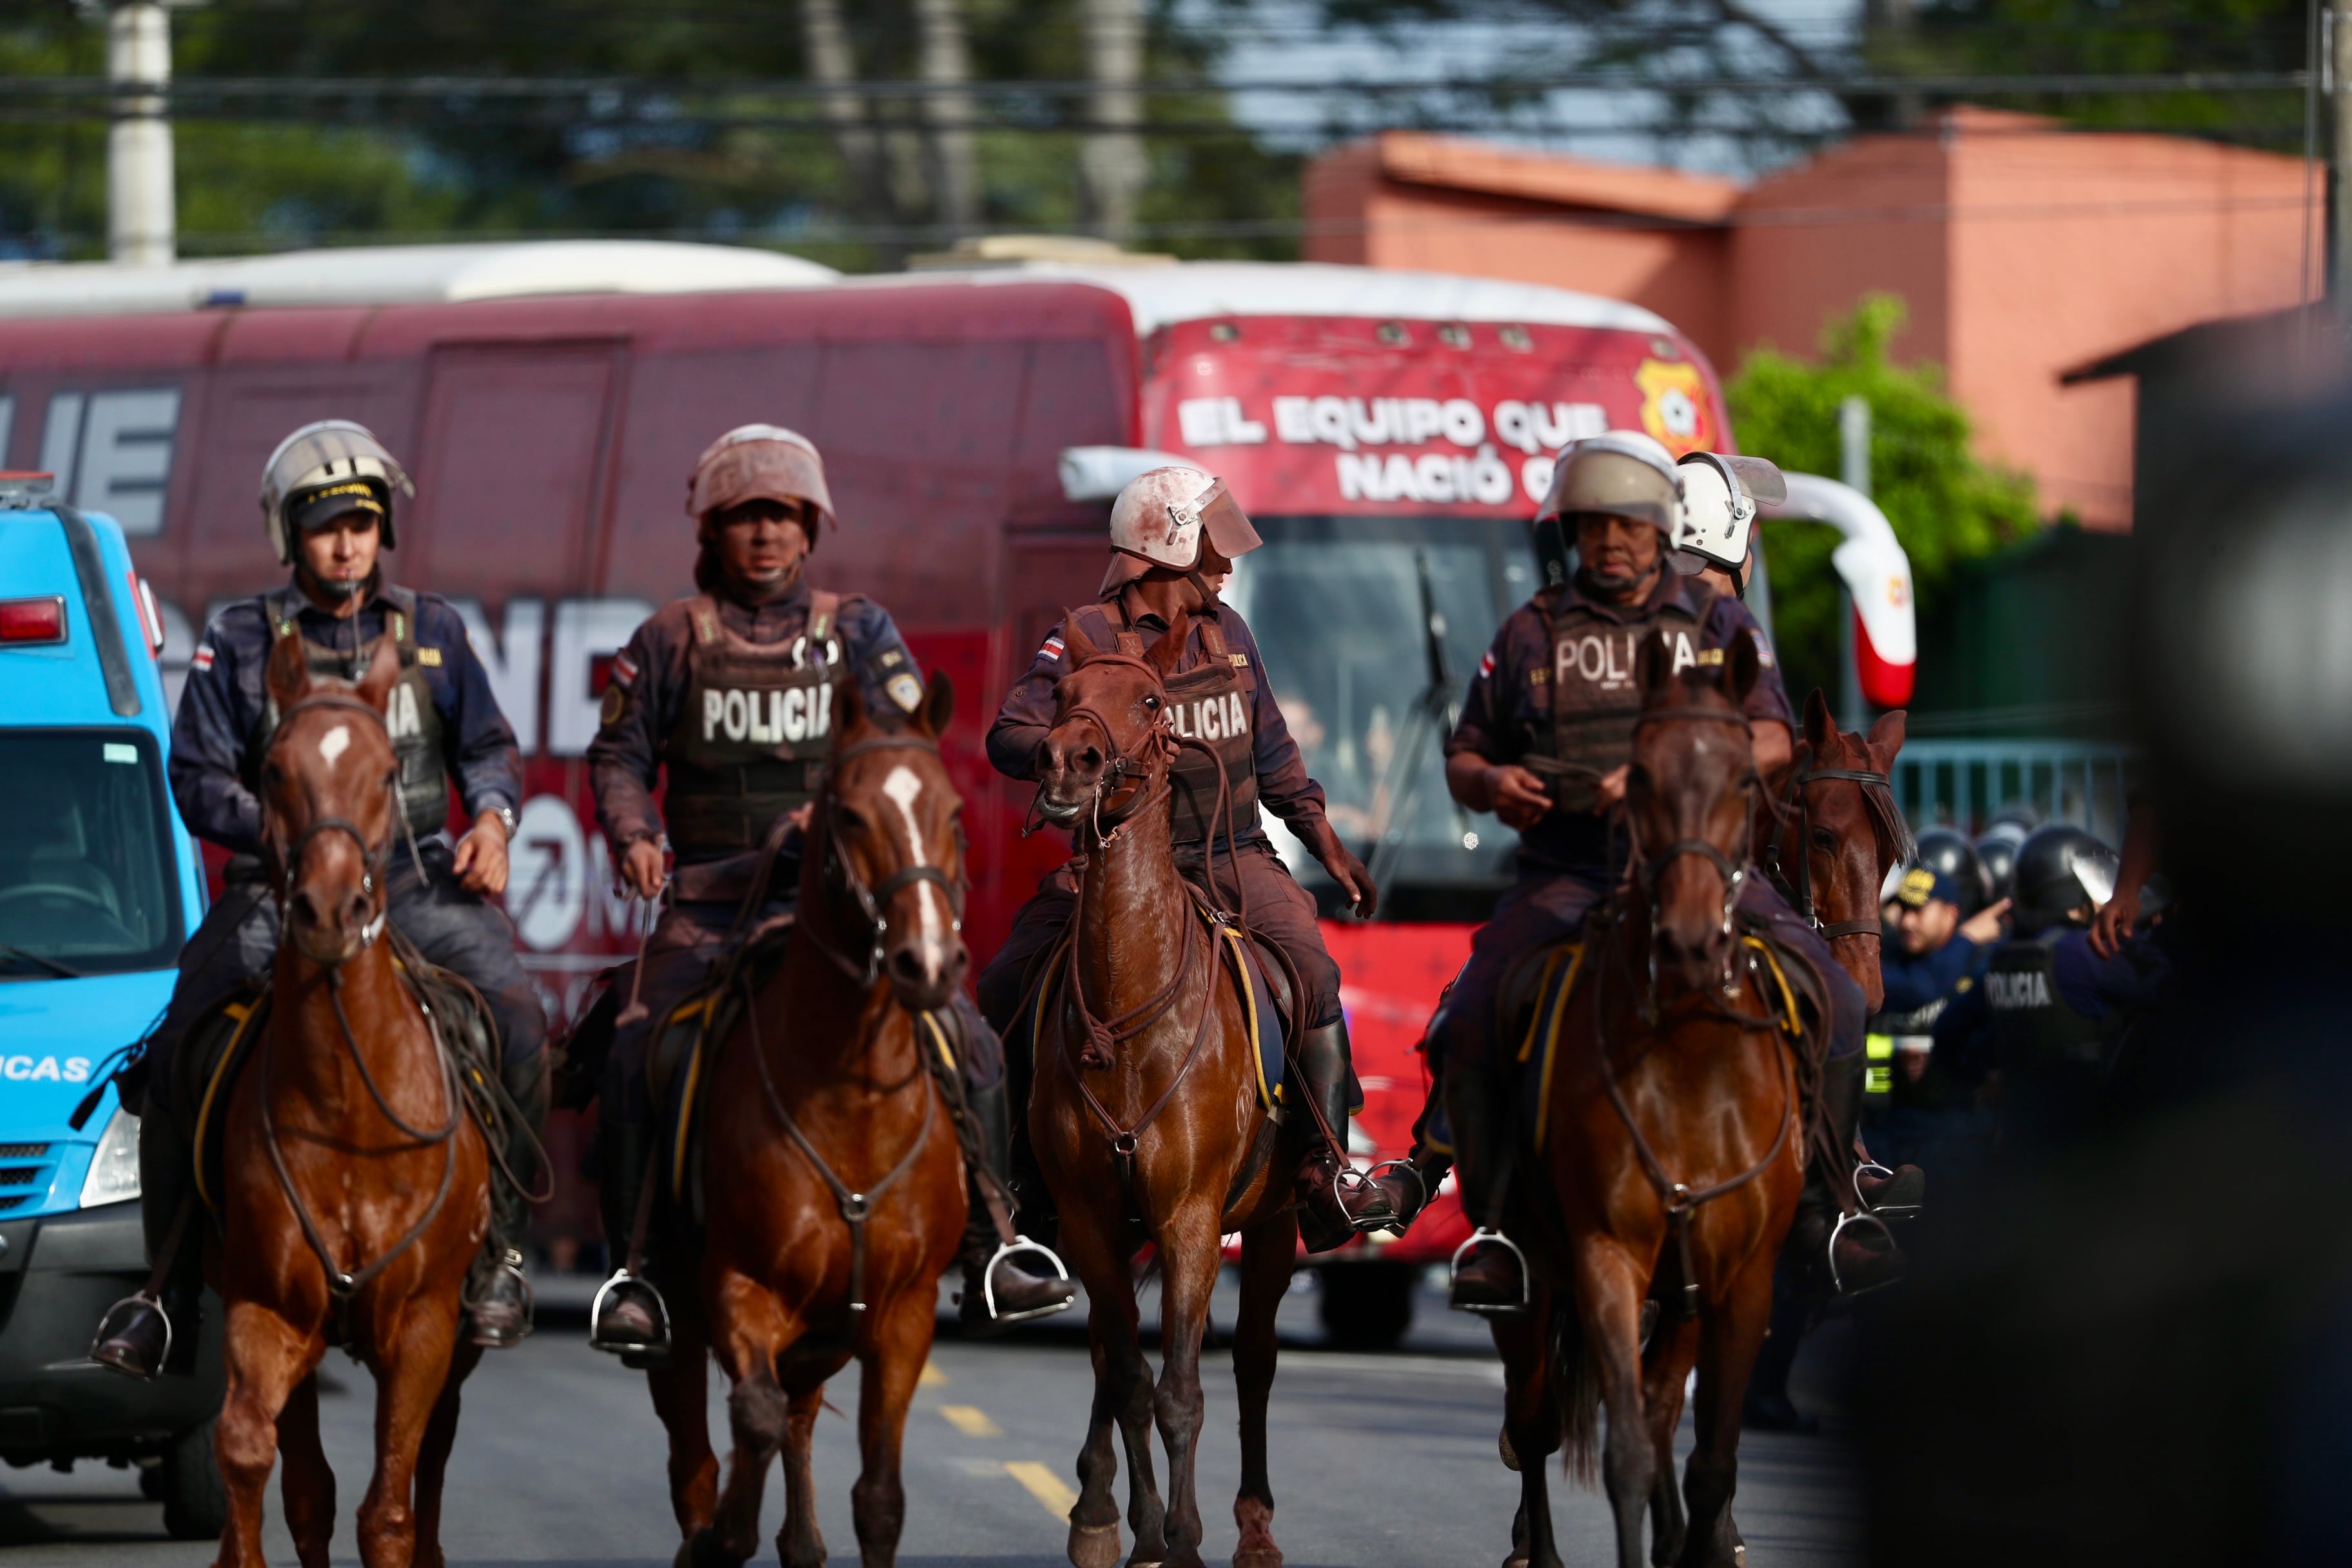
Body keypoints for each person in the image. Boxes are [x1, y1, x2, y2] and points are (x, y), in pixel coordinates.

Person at [583, 425, 1072, 1356]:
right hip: (712, 905)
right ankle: (635, 1271)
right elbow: (618, 756)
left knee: (969, 1040)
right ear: (714, 533)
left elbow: (901, 744)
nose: (766, 533)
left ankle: (998, 1241)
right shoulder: (669, 638)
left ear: (810, 530)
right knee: (634, 1050)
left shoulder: (858, 630)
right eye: (745, 517)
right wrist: (635, 832)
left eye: (783, 516)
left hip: (842, 907)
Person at [1370, 431, 1887, 1312]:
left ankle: (1829, 1203)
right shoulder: (1530, 629)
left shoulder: (1717, 622)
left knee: (1837, 999)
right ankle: (1483, 1219)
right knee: (1475, 1006)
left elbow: (1770, 734)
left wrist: (1678, 762)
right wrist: (1495, 782)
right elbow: (1465, 752)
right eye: (1595, 526)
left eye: (1628, 525)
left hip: (1703, 866)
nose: (1612, 542)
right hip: (1573, 869)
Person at [92, 420, 547, 1378]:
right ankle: (165, 1291)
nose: (346, 545)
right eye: (326, 527)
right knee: (178, 1046)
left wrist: (495, 823)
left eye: (363, 526)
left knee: (520, 1015)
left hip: (416, 880)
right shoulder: (241, 637)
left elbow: (488, 751)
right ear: (289, 535)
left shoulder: (436, 631)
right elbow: (195, 773)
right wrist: (277, 828)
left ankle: (502, 1253)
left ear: (384, 533)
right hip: (279, 888)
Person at [974, 464, 1388, 1253]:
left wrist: (1327, 845)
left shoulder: (1231, 632)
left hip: (1232, 854)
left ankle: (1325, 1172)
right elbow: (1007, 734)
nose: (1225, 565)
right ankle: (1008, 1188)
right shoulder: (1086, 636)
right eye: (1209, 548)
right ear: (1162, 548)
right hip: (1112, 865)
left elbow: (1276, 756)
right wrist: (1062, 751)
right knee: (1004, 981)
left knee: (1314, 970)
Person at [1939, 823, 2170, 1150]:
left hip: (2021, 1140)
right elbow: (2172, 986)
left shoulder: (2004, 958)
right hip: (2092, 1141)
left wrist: (1985, 1077)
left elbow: (1948, 1033)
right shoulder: (2084, 951)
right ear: (2071, 891)